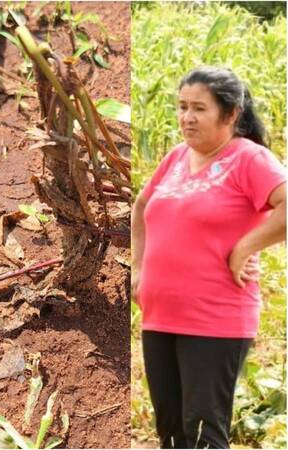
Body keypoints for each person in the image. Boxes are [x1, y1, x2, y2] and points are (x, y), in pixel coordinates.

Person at [131, 67, 286, 449]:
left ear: (230, 113)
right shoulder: (176, 158)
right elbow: (141, 208)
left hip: (215, 318)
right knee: (169, 431)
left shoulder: (249, 159)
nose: (186, 117)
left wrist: (245, 247)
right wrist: (138, 270)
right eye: (182, 107)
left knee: (202, 433)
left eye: (199, 108)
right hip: (160, 315)